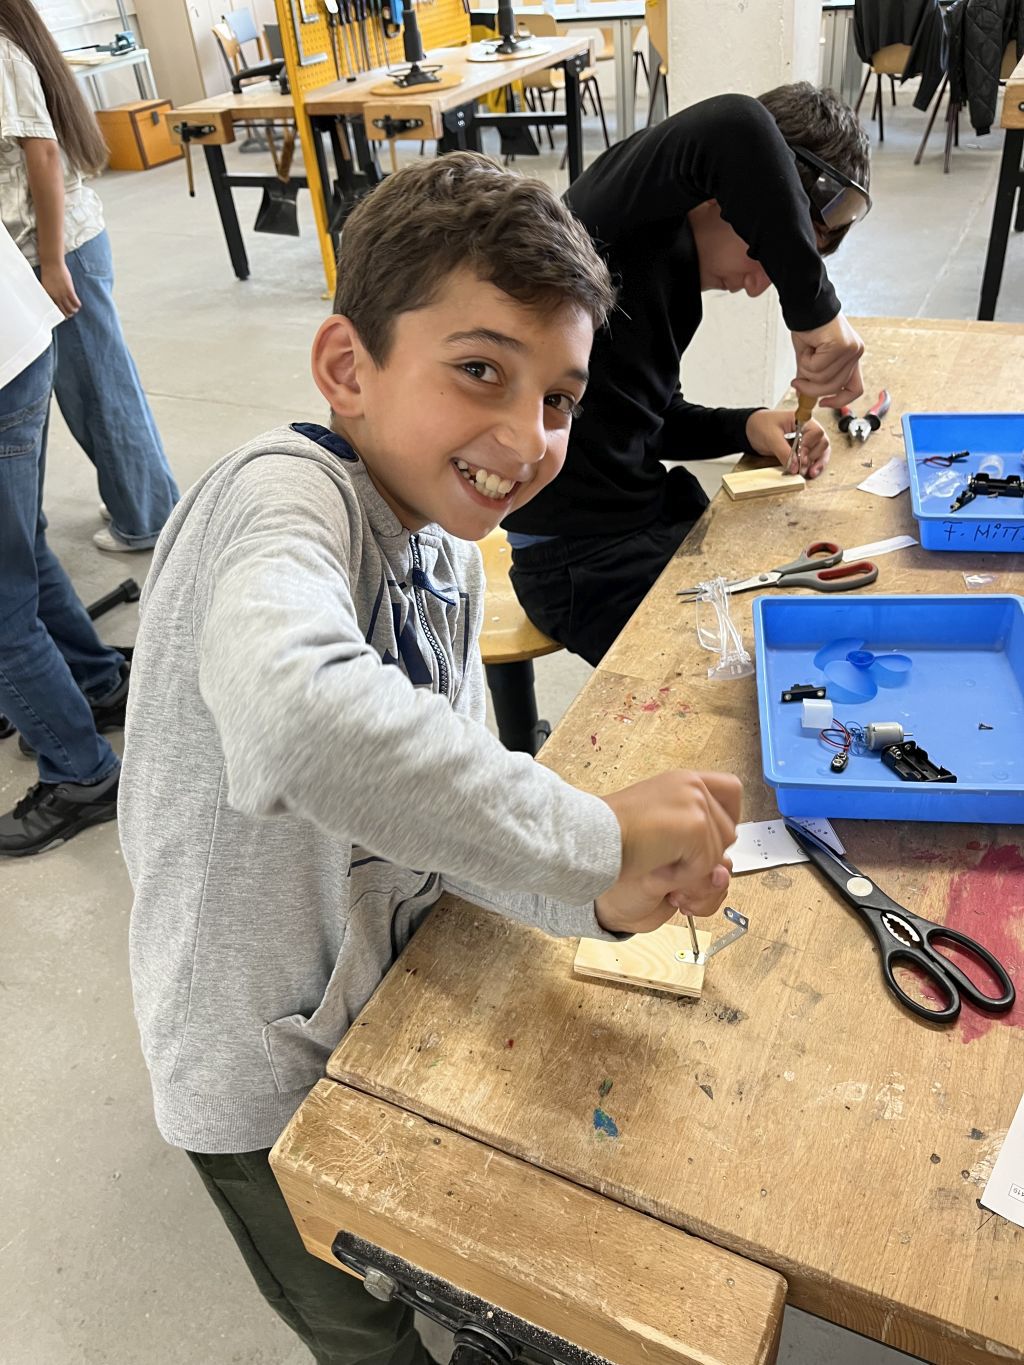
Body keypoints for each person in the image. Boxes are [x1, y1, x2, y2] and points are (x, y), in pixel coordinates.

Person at [119, 154, 743, 1365]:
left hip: (381, 1001)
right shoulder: (281, 503)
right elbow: (298, 718)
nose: (525, 436)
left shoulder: (448, 546)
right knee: (358, 1321)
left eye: (559, 398)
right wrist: (591, 836)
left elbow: (442, 800)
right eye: (478, 372)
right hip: (253, 1063)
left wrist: (593, 895)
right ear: (348, 368)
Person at [504, 84, 873, 666]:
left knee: (802, 625)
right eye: (768, 251)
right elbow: (735, 125)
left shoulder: (678, 283)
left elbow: (650, 421)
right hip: (576, 564)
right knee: (754, 673)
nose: (762, 283)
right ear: (733, 195)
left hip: (637, 525)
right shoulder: (609, 225)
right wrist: (817, 312)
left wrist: (749, 427)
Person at [0, 0, 178, 552]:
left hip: (56, 250)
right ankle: (140, 496)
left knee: (98, 391)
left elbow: (44, 155)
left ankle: (147, 515)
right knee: (96, 386)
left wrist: (51, 263)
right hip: (48, 247)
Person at [0, 219, 127, 856]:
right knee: (24, 546)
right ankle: (95, 682)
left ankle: (81, 773)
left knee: (1, 610)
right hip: (17, 337)